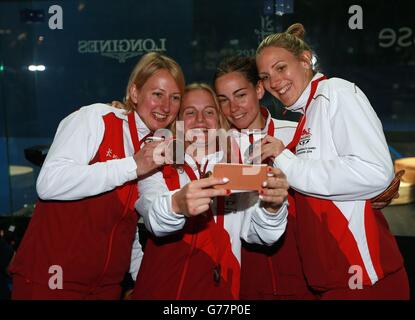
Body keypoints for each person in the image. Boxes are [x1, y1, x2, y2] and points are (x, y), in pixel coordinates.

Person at [9, 52, 185, 299]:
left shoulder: (151, 147)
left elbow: (124, 224)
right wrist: (132, 166)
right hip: (52, 281)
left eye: (175, 98)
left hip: (106, 288)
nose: (166, 106)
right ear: (135, 93)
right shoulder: (96, 118)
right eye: (157, 94)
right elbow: (49, 183)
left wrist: (142, 276)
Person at [254, 23, 409, 299]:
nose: (274, 82)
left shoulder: (335, 92)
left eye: (280, 68)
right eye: (265, 76)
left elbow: (375, 172)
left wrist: (284, 159)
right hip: (336, 277)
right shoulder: (309, 111)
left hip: (364, 277)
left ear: (305, 60)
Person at [131, 83, 290, 299]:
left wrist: (272, 208)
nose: (200, 120)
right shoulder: (156, 161)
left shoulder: (242, 167)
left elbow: (262, 236)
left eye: (209, 112)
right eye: (190, 112)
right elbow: (152, 218)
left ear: (219, 120)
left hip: (221, 293)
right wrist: (177, 205)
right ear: (177, 121)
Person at [214, 56, 317, 299]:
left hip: (302, 278)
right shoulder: (216, 149)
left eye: (241, 95)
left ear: (259, 89)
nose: (233, 107)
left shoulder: (295, 134)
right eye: (223, 100)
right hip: (245, 283)